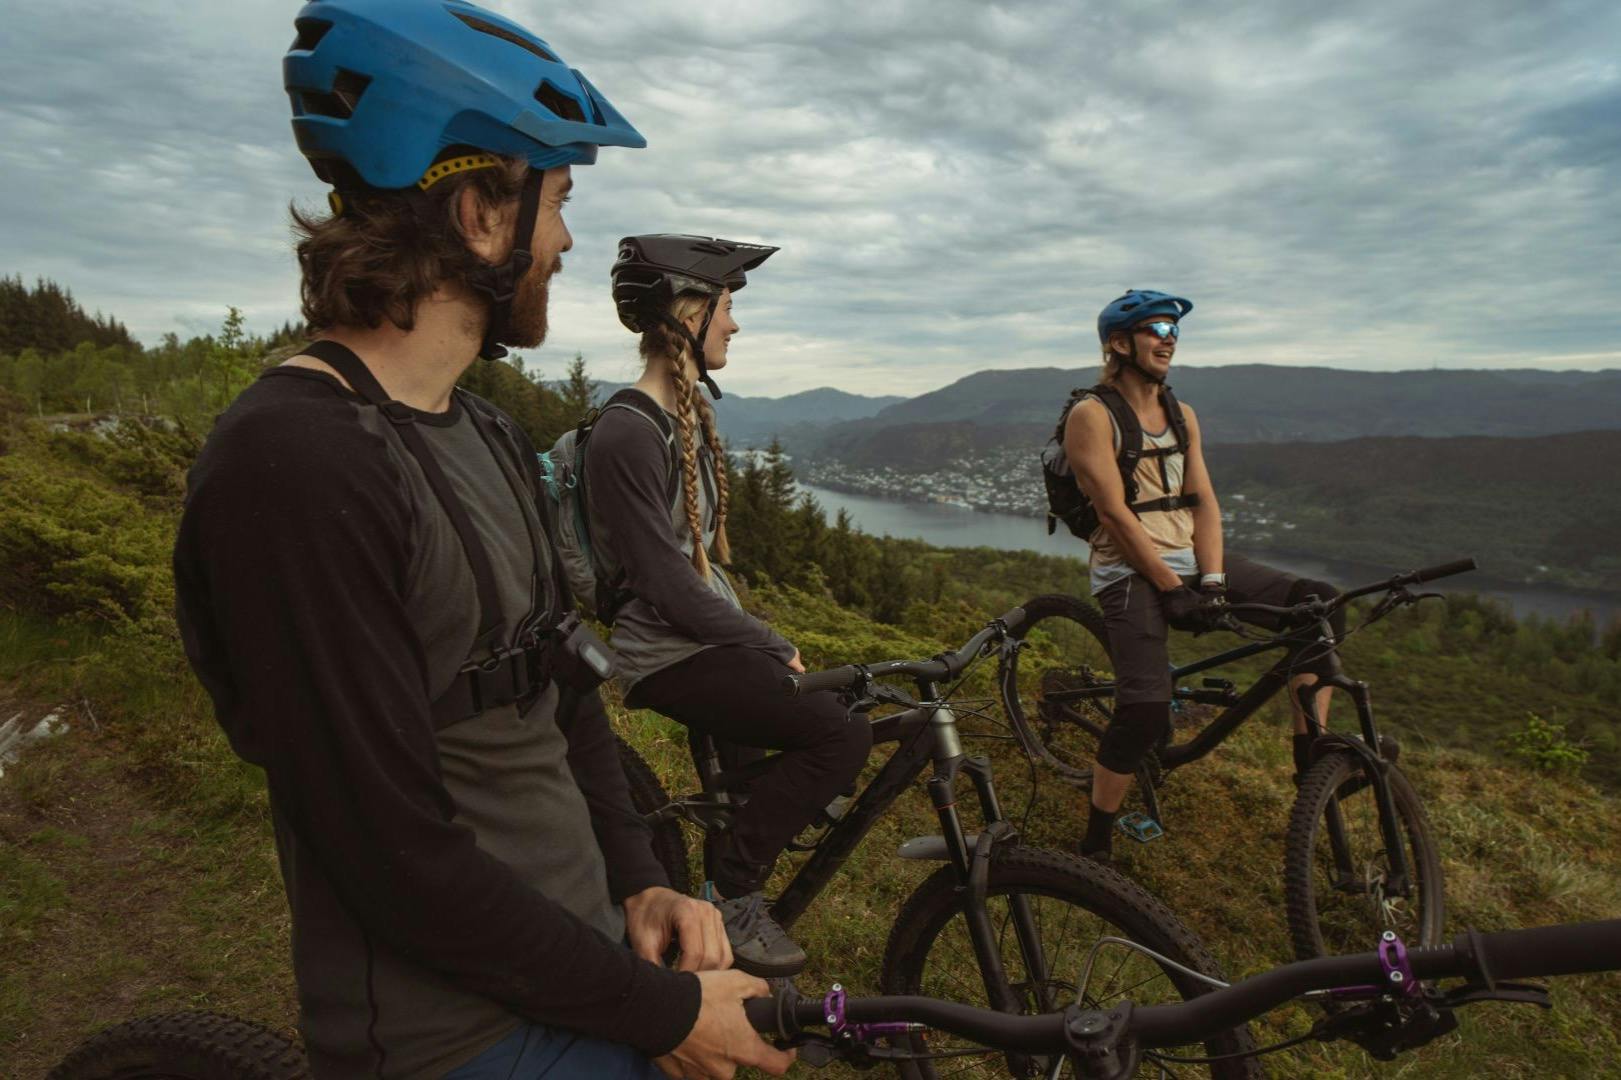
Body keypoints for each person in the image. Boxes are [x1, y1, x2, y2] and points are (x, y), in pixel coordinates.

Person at [172, 3, 793, 1077]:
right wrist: (661, 1016)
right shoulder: (298, 466)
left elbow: (565, 683)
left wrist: (640, 878)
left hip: (574, 951)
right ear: (476, 214)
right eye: (556, 203)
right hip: (453, 1031)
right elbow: (391, 856)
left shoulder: (488, 430)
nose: (560, 243)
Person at [580, 234, 873, 977]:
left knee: (813, 726)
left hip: (695, 637)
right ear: (686, 313)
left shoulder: (666, 418)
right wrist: (769, 642)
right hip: (662, 650)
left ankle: (738, 845)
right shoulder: (626, 431)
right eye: (727, 307)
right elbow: (663, 582)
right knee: (838, 738)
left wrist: (756, 641)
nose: (734, 325)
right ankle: (733, 891)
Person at [1062, 289, 1344, 862]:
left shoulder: (1182, 414)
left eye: (1172, 328)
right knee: (1141, 711)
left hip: (1193, 559)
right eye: (1155, 327)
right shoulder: (1090, 415)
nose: (1168, 337)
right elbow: (1114, 515)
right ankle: (1095, 838)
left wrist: (1212, 581)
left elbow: (1205, 503)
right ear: (1120, 344)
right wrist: (1170, 588)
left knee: (1320, 604)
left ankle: (1308, 763)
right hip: (1129, 572)